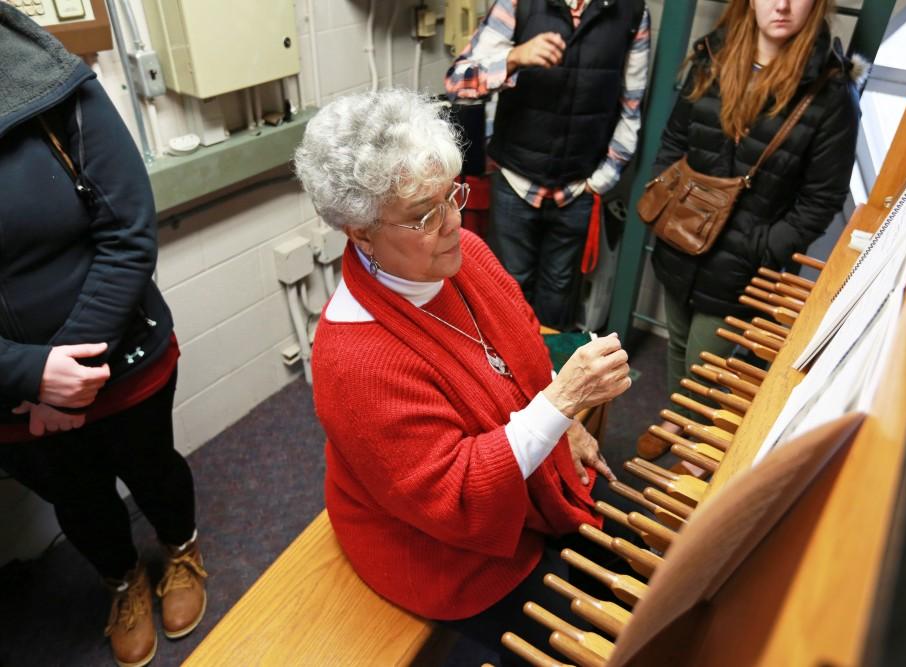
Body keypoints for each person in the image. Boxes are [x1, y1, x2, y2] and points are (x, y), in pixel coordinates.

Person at [295, 89, 634, 663]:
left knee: (633, 568)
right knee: (582, 643)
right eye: (425, 215)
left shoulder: (465, 253)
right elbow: (449, 496)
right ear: (360, 233)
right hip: (435, 545)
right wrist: (563, 402)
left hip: (507, 469)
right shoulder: (351, 361)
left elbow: (523, 342)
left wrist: (565, 424)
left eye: (452, 193)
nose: (454, 222)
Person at [0, 8, 206, 667]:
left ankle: (179, 548)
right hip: (12, 397)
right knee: (78, 500)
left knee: (154, 469)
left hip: (123, 361)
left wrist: (64, 374)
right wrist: (26, 374)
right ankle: (123, 579)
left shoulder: (48, 83)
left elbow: (128, 234)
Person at [637, 0, 864, 459]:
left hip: (743, 268)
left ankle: (692, 461)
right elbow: (675, 139)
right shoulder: (713, 56)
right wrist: (665, 199)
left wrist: (762, 247)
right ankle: (676, 420)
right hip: (681, 240)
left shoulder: (828, 93)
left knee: (709, 369)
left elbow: (821, 200)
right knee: (677, 345)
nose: (781, 5)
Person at [445, 0, 650, 329]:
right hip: (515, 183)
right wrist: (513, 58)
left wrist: (601, 180)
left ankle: (553, 378)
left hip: (577, 189)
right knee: (505, 297)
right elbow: (458, 82)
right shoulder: (518, 3)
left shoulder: (632, 11)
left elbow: (632, 106)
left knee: (558, 302)